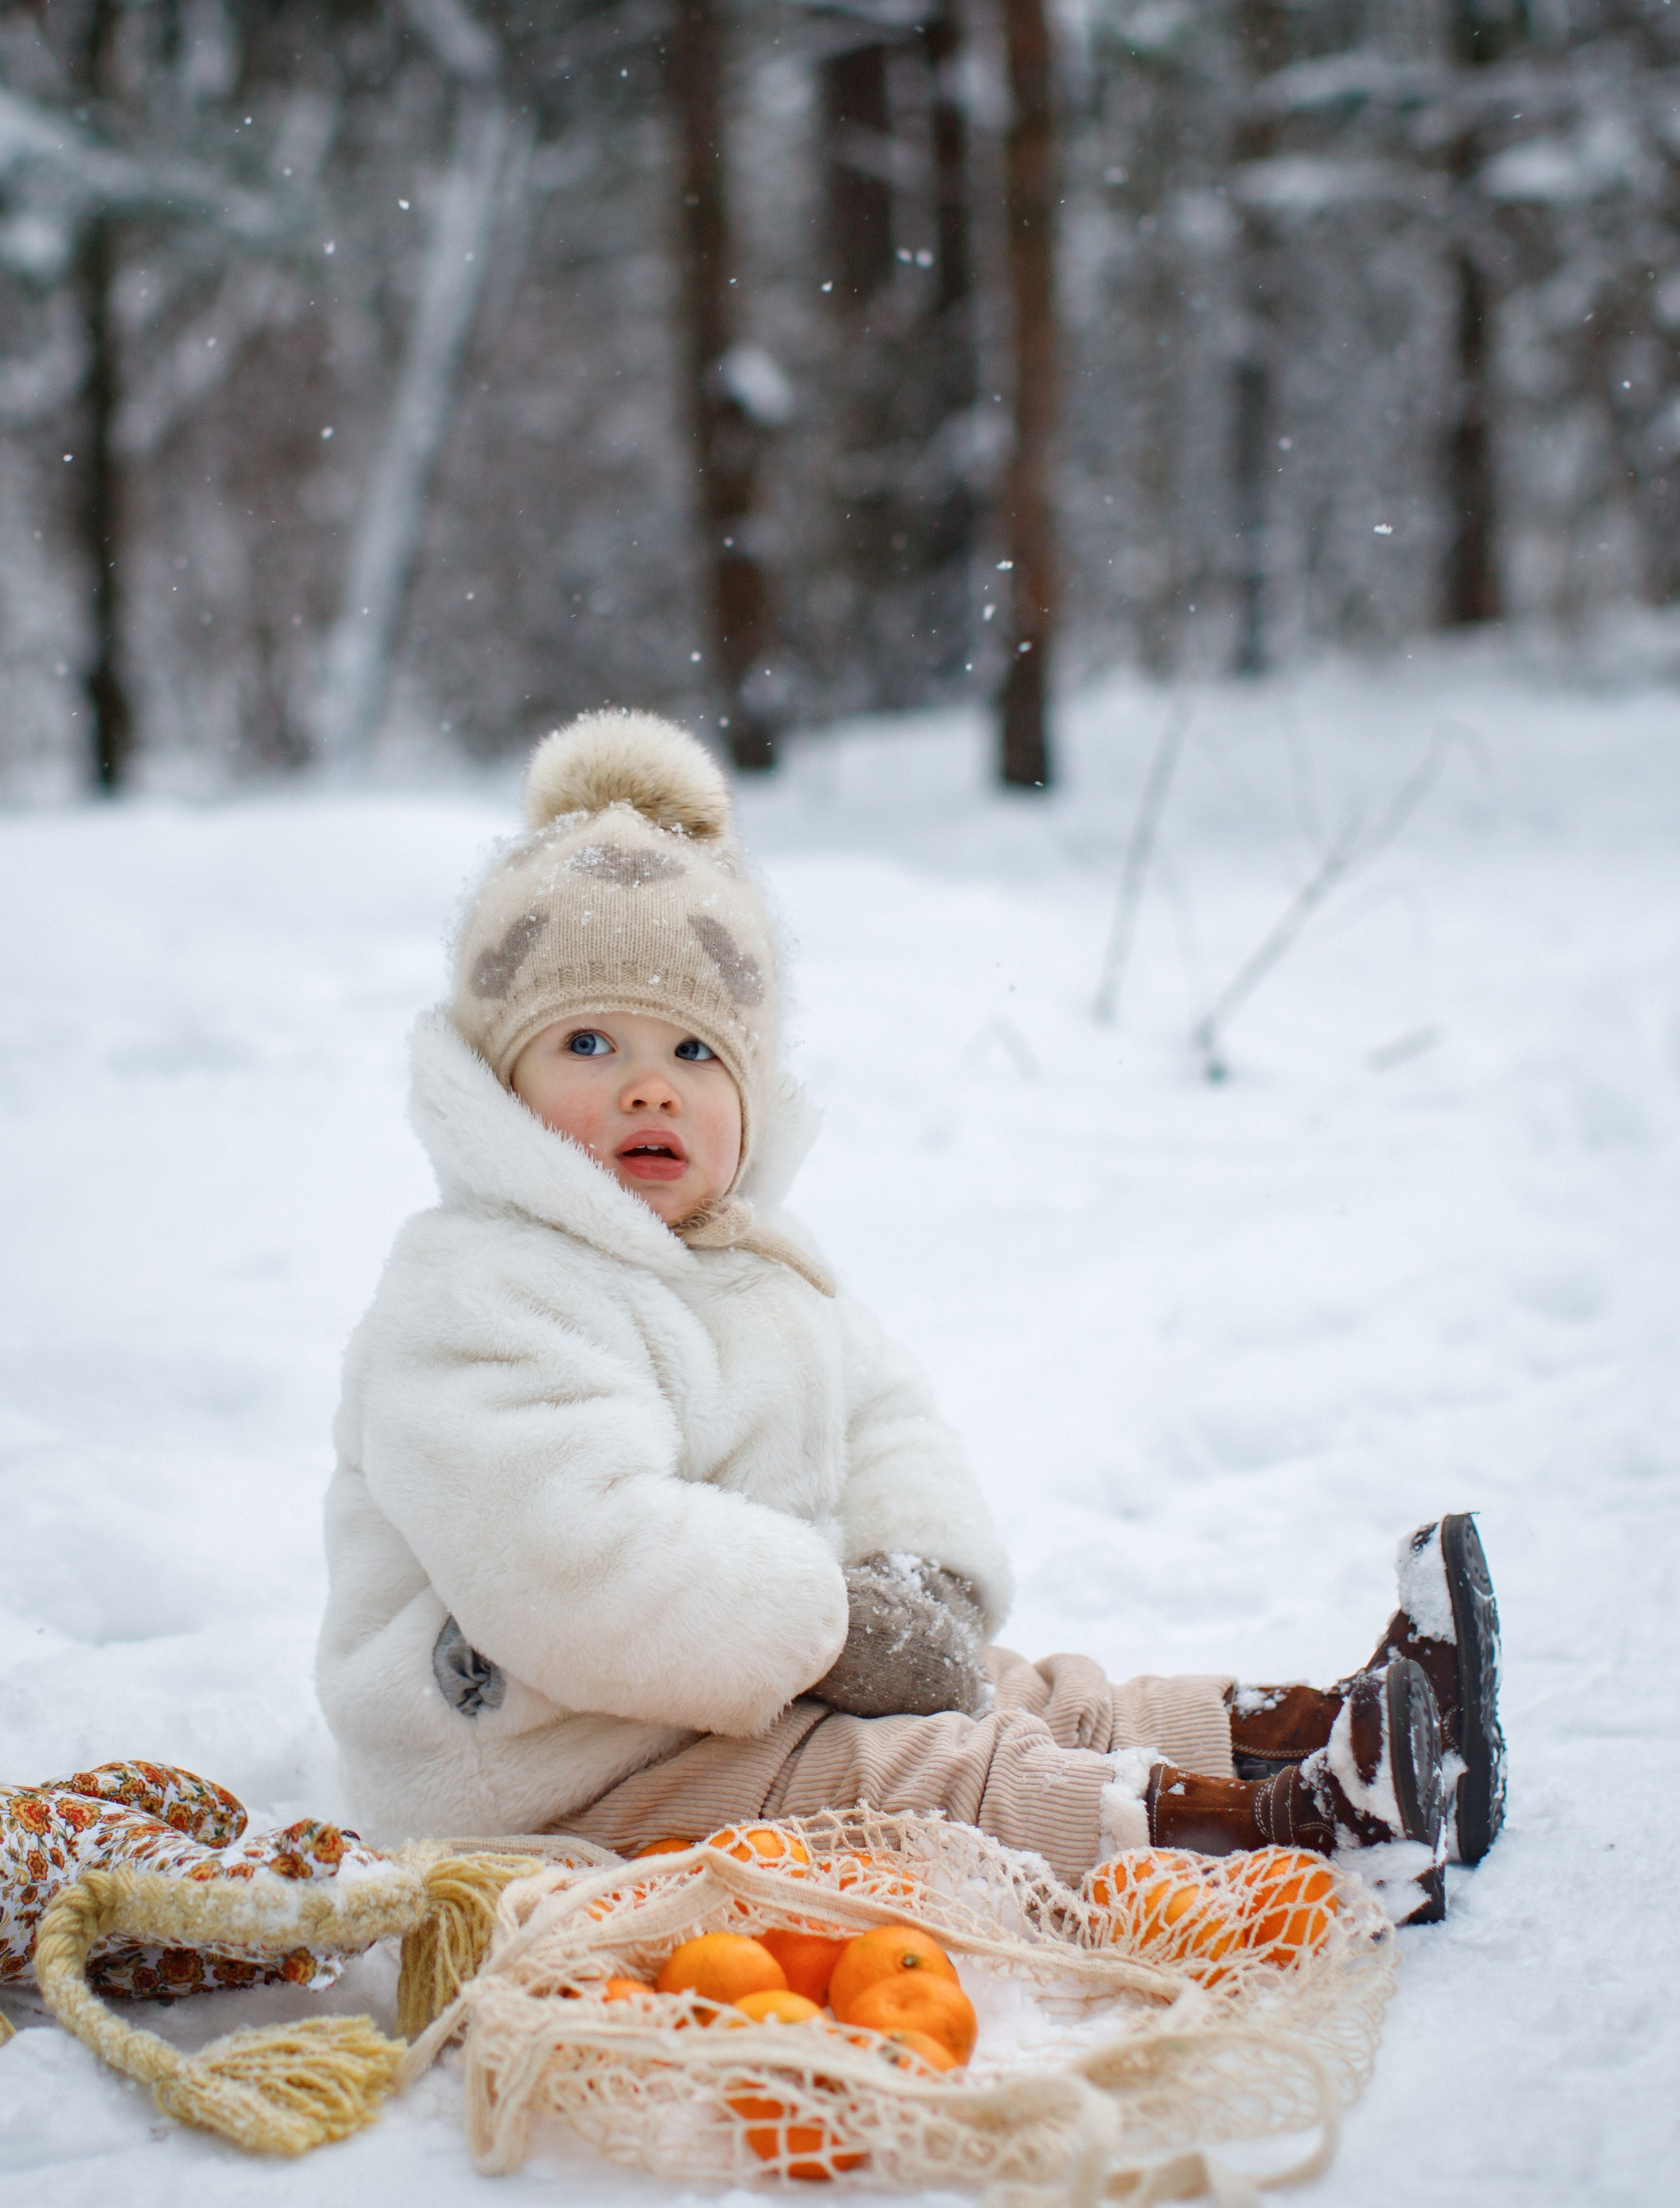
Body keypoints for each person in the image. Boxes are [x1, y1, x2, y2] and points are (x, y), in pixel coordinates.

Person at [316, 713, 1504, 1923]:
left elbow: (880, 1410)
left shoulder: (750, 1265)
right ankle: (1269, 1836)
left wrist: (915, 1578)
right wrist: (833, 1631)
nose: (649, 1083)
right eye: (587, 1041)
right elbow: (567, 1555)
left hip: (723, 1688)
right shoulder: (476, 1293)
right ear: (497, 1085)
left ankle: (1330, 1726)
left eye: (692, 1047)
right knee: (915, 1782)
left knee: (1013, 1691)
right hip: (543, 1774)